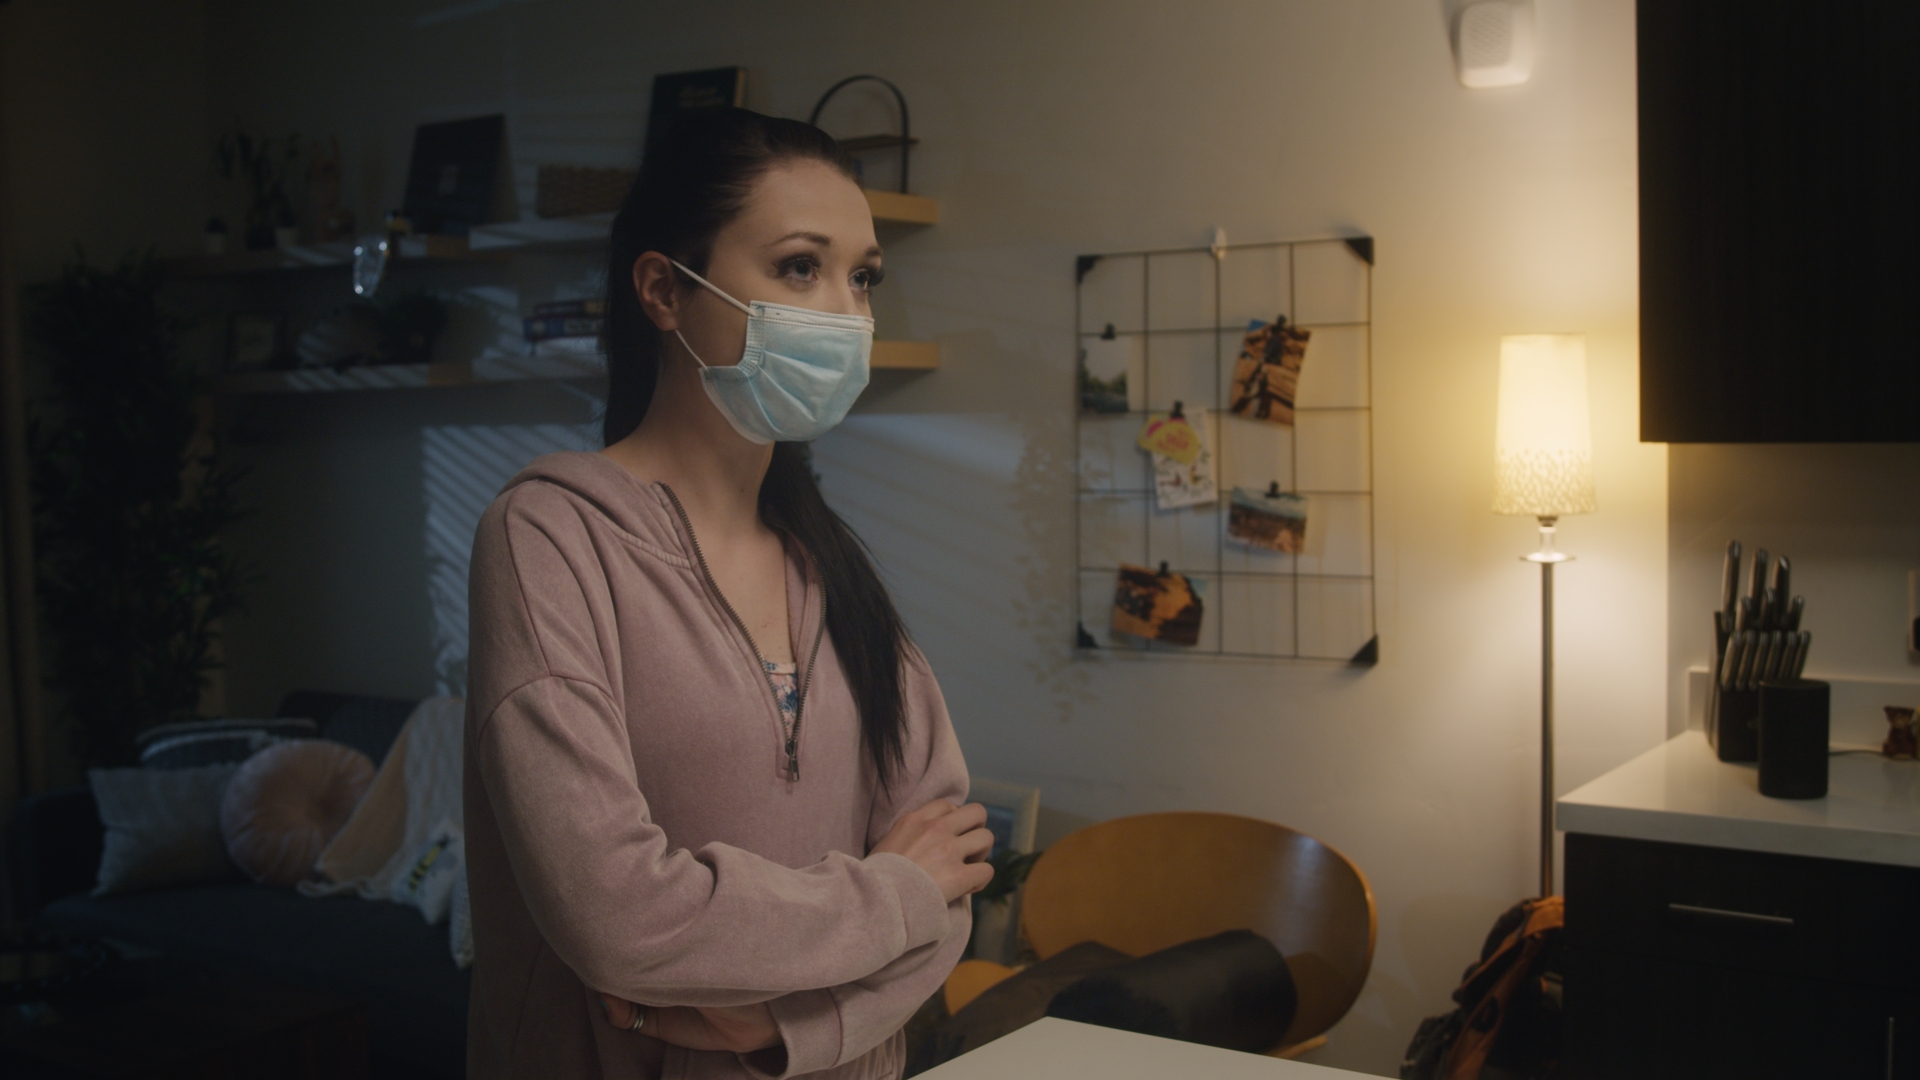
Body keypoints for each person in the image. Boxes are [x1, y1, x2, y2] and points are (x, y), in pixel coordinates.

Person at [463, 108, 995, 1080]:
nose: (846, 312)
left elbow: (952, 877)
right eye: (800, 267)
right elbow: (619, 914)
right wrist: (894, 895)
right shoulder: (548, 539)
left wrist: (787, 1027)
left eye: (863, 276)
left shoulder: (833, 569)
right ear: (664, 289)